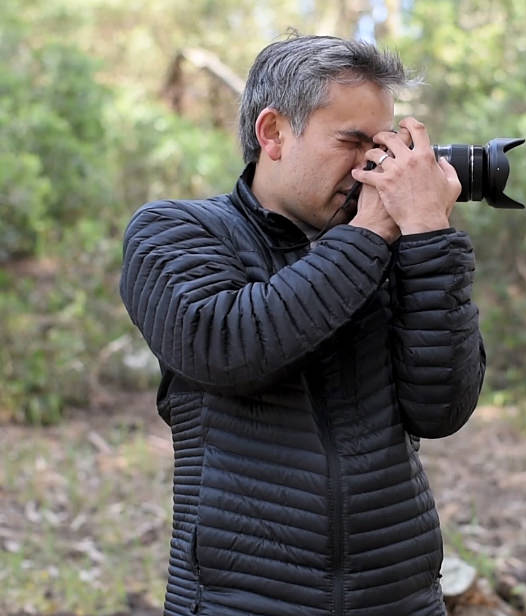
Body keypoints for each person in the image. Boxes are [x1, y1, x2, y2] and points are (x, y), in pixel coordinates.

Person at [119, 35, 485, 616]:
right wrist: (367, 238)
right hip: (240, 600)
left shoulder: (395, 244)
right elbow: (226, 348)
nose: (373, 165)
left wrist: (428, 238)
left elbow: (441, 410)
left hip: (400, 596)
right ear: (273, 134)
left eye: (384, 143)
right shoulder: (174, 232)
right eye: (352, 141)